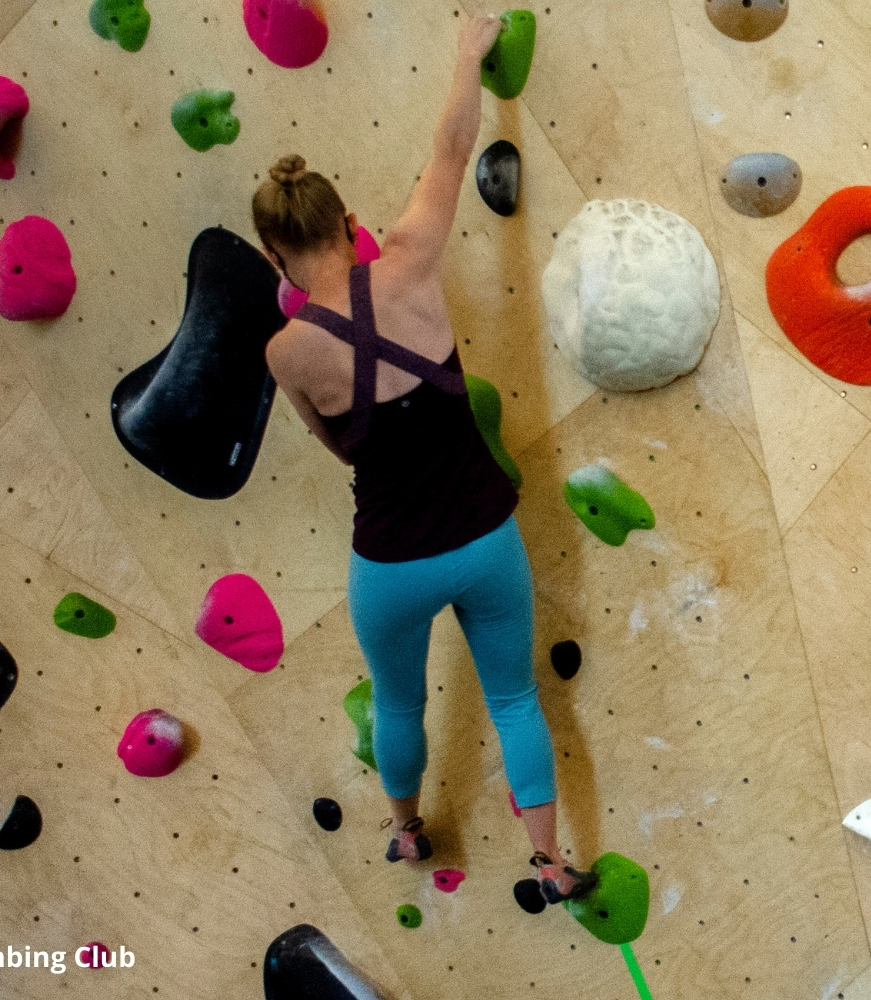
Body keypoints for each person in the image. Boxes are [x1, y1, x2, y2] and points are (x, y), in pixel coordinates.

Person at [252, 13, 583, 904]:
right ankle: (550, 862)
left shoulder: (285, 352)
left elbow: (334, 446)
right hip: (484, 538)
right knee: (513, 700)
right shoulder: (410, 259)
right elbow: (450, 146)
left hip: (389, 560)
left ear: (275, 255)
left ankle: (407, 834)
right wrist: (466, 54)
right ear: (349, 222)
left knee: (399, 706)